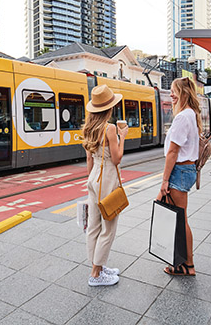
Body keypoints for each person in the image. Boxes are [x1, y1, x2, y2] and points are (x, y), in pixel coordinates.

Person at [82, 85, 128, 287]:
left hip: (93, 178)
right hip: (107, 177)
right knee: (108, 228)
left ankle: (98, 266)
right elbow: (117, 159)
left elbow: (89, 160)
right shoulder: (109, 128)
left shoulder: (88, 128)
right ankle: (96, 274)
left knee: (93, 227)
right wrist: (122, 135)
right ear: (108, 109)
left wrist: (90, 182)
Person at [158, 77, 201, 276]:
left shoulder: (183, 116)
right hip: (187, 170)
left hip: (179, 171)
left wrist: (164, 181)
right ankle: (182, 262)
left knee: (180, 220)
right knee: (180, 219)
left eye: (174, 91)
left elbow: (173, 152)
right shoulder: (192, 114)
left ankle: (187, 265)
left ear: (183, 93)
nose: (171, 95)